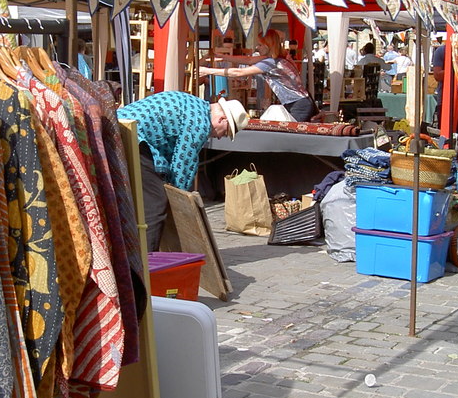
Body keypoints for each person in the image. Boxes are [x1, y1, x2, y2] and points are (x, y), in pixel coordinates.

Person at [117, 91, 249, 251]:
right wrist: (178, 198)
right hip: (135, 136)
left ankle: (136, 254)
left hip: (124, 127)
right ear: (222, 119)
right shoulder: (200, 122)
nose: (221, 137)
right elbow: (184, 164)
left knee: (142, 199)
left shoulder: (195, 106)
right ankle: (147, 264)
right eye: (226, 132)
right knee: (156, 204)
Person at [200, 28, 319, 122]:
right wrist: (223, 57)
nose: (257, 47)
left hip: (298, 105)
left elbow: (239, 72)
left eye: (260, 45)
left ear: (268, 45)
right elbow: (249, 60)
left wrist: (208, 71)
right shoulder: (278, 57)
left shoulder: (271, 63)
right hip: (301, 101)